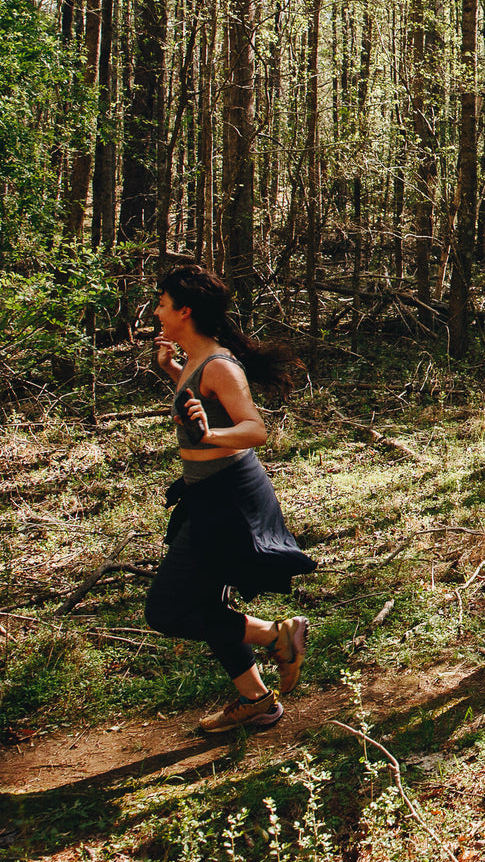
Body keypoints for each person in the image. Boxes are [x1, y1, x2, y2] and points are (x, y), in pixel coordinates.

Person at [146, 266, 315, 733]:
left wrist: (208, 432)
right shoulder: (196, 363)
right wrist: (174, 374)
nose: (157, 311)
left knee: (166, 610)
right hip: (208, 492)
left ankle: (274, 634)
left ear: (185, 311)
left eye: (162, 303)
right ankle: (256, 701)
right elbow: (204, 406)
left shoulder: (219, 365)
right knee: (207, 603)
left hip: (227, 497)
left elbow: (254, 429)